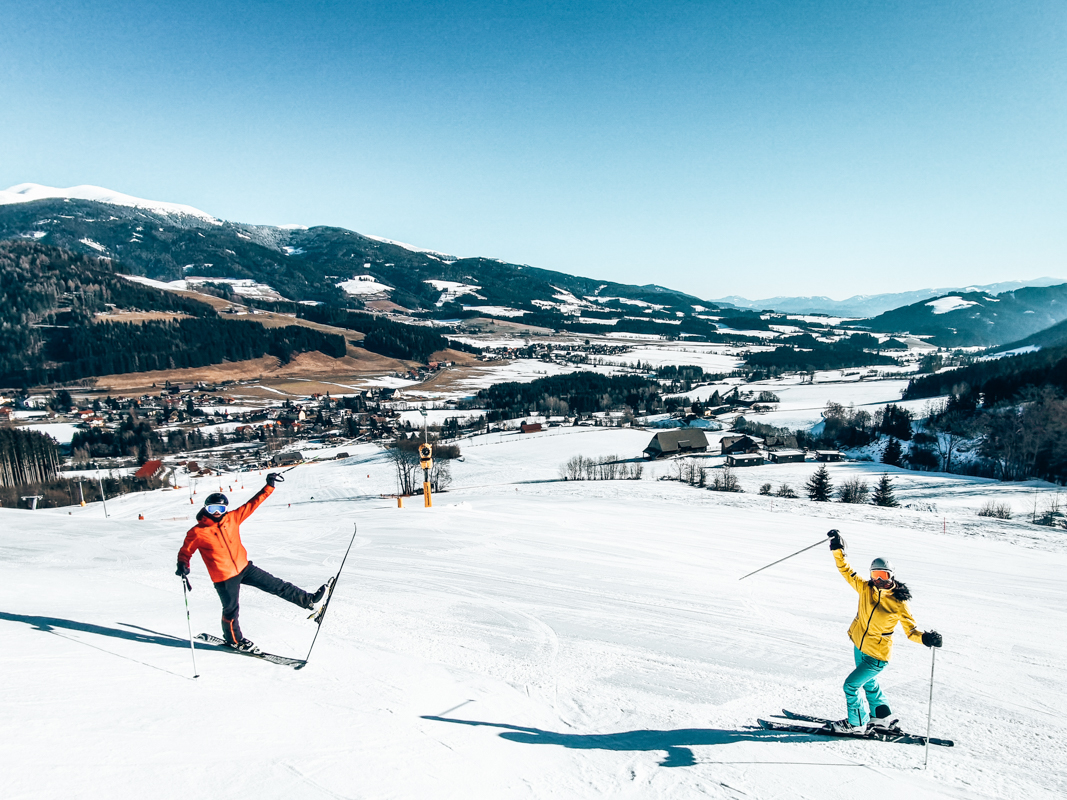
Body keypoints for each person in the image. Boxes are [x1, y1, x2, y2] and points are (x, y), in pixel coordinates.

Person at [176, 472, 330, 653]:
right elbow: (185, 551)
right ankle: (234, 640)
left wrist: (269, 486)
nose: (217, 513)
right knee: (231, 610)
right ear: (205, 509)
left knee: (277, 585)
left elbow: (253, 504)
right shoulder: (197, 532)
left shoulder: (232, 518)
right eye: (212, 509)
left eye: (220, 509)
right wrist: (182, 564)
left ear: (226, 509)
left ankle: (309, 600)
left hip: (244, 567)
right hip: (224, 577)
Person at [825, 529, 942, 734]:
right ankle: (882, 718)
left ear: (891, 575)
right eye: (875, 575)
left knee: (850, 686)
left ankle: (855, 723)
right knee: (869, 684)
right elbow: (846, 570)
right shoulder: (865, 588)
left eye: (883, 575)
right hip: (859, 647)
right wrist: (837, 549)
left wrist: (926, 638)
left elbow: (911, 631)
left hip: (877, 656)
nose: (878, 579)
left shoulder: (899, 602)